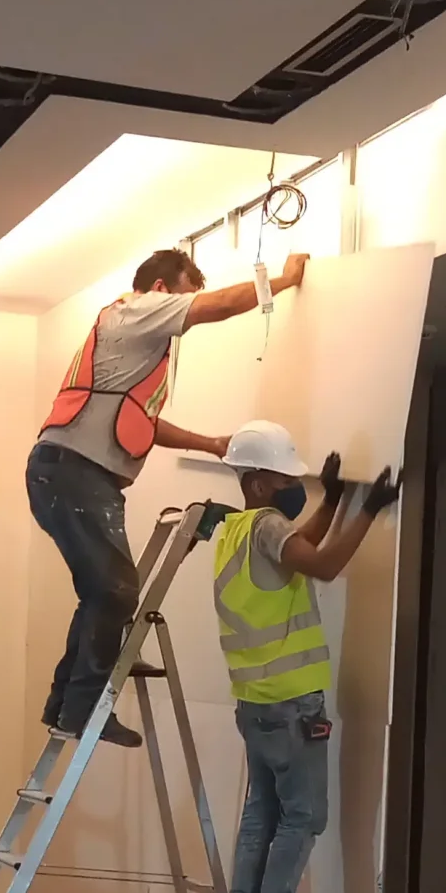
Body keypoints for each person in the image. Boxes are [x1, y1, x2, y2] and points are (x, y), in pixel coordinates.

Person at [29, 246, 308, 744]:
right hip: (76, 474)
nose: (184, 316)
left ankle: (65, 707)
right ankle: (82, 711)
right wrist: (283, 282)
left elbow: (143, 423)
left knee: (102, 593)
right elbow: (220, 305)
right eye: (183, 298)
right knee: (116, 591)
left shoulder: (129, 342)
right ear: (160, 290)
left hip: (70, 474)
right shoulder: (136, 310)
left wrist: (211, 443)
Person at [211, 421, 400, 893]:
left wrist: (334, 500)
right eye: (284, 479)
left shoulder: (236, 531)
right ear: (257, 482)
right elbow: (325, 564)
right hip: (292, 704)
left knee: (262, 811)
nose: (293, 486)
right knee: (304, 816)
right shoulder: (269, 525)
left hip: (255, 703)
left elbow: (300, 547)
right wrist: (369, 509)